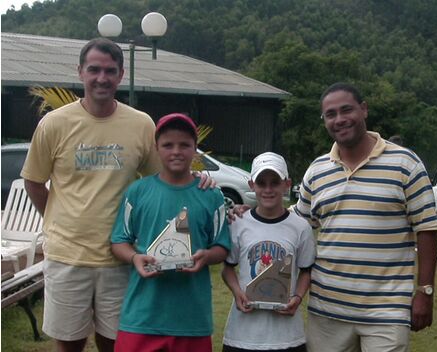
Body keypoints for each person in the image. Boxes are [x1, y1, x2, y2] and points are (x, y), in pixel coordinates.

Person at [20, 38, 212, 352]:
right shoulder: (53, 124)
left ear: (121, 75)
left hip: (121, 258)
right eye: (94, 69)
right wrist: (57, 222)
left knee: (116, 343)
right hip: (68, 257)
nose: (102, 78)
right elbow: (34, 182)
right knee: (69, 344)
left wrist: (201, 182)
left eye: (110, 70)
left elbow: (162, 179)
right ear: (80, 71)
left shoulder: (140, 124)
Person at [293, 82, 437, 351]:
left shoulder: (406, 164)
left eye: (346, 110)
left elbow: (427, 228)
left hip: (386, 312)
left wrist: (425, 291)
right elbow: (295, 223)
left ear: (363, 110)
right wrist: (247, 214)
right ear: (324, 120)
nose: (339, 119)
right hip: (327, 310)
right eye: (330, 114)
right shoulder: (317, 171)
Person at [110, 113, 231, 352]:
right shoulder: (137, 192)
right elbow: (119, 241)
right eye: (168, 145)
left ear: (196, 149)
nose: (176, 151)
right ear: (156, 148)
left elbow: (222, 246)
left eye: (185, 145)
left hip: (191, 319)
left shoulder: (210, 195)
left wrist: (205, 256)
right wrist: (135, 258)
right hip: (142, 317)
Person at [222, 152, 316, 352]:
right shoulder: (238, 223)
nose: (268, 189)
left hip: (287, 336)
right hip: (242, 335)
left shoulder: (300, 227)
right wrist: (237, 293)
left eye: (275, 182)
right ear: (251, 185)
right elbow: (228, 268)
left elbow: (306, 271)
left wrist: (297, 298)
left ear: (287, 184)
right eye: (261, 183)